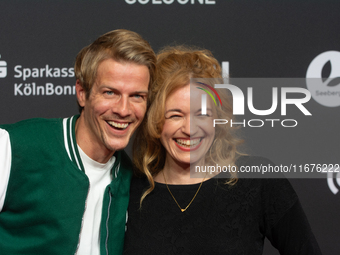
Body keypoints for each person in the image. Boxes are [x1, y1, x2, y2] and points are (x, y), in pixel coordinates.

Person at [124, 46, 322, 254]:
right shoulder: (129, 191)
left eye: (202, 114)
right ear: (155, 121)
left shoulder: (257, 180)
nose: (190, 129)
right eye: (175, 115)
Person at [0, 29, 156, 255]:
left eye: (137, 96)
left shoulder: (134, 182)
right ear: (82, 93)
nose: (124, 110)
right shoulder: (13, 147)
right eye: (110, 92)